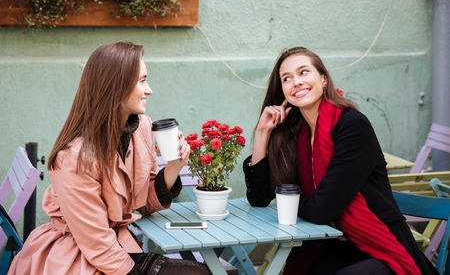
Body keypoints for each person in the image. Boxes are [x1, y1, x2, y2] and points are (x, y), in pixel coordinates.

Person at [8, 42, 210, 275]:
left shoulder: (141, 128)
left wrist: (174, 167)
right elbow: (96, 243)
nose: (149, 90)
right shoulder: (74, 157)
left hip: (117, 245)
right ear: (116, 87)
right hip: (77, 256)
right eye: (142, 81)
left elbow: (143, 204)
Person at [243, 46, 438, 275]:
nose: (296, 82)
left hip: (381, 246)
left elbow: (322, 210)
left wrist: (288, 202)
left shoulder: (352, 126)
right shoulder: (296, 135)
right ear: (283, 91)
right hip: (334, 246)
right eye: (287, 78)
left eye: (304, 72)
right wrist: (262, 133)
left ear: (323, 79)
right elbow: (258, 198)